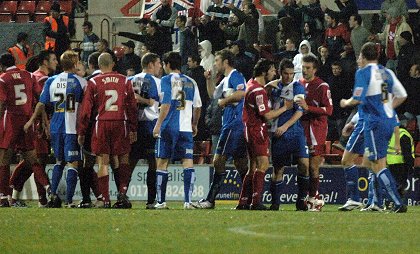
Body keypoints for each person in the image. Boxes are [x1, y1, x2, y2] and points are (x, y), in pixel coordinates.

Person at [340, 42, 408, 213]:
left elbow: (357, 98)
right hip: (389, 121)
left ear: (363, 56)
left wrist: (345, 102)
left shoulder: (363, 72)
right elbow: (402, 95)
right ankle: (376, 201)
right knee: (372, 162)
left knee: (377, 164)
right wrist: (388, 109)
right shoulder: (386, 72)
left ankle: (398, 202)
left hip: (374, 122)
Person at [24, 50, 86, 208]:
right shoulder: (81, 82)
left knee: (59, 161)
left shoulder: (51, 81)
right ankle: (70, 200)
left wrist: (31, 121)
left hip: (56, 127)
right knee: (73, 163)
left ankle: (53, 195)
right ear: (74, 64)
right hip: (72, 127)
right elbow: (86, 108)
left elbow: (41, 104)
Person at [78, 53, 138, 208]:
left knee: (102, 162)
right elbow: (132, 106)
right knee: (123, 158)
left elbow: (85, 110)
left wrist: (82, 131)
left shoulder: (93, 82)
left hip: (102, 123)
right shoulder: (125, 80)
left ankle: (105, 200)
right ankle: (122, 192)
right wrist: (133, 128)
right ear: (113, 64)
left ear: (99, 66)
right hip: (121, 122)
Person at [193, 49, 247, 209]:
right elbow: (213, 95)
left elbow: (243, 93)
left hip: (233, 124)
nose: (215, 64)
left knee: (218, 161)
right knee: (241, 164)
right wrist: (209, 80)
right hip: (232, 124)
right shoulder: (226, 79)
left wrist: (225, 101)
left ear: (225, 62)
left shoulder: (236, 75)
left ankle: (210, 200)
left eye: (217, 60)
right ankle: (248, 199)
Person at [239, 59, 292, 210]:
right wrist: (285, 108)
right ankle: (255, 202)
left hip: (249, 129)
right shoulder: (258, 92)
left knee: (253, 166)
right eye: (272, 70)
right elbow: (267, 116)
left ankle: (243, 201)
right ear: (264, 72)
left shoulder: (251, 84)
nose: (274, 72)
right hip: (257, 130)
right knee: (263, 165)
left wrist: (267, 86)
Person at [0, 53, 51, 207]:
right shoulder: (29, 75)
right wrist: (42, 120)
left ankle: (4, 197)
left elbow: (1, 103)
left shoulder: (3, 78)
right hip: (27, 120)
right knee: (32, 158)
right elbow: (40, 99)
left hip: (10, 120)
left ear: (2, 66)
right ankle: (48, 188)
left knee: (4, 159)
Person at [153, 52, 202, 209]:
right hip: (185, 128)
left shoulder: (166, 80)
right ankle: (187, 202)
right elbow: (198, 106)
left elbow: (166, 103)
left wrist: (158, 124)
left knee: (162, 162)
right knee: (187, 162)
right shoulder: (191, 82)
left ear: (167, 65)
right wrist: (194, 124)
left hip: (169, 127)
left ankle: (161, 202)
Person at [268, 59, 309, 211]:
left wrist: (285, 126)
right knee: (278, 169)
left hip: (295, 132)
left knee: (304, 165)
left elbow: (299, 111)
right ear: (280, 73)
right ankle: (275, 203)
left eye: (291, 74)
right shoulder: (273, 87)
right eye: (286, 74)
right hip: (278, 134)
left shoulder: (297, 87)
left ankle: (300, 201)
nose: (289, 77)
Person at [295, 55, 333, 211]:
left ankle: (313, 198)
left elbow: (329, 110)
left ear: (315, 69)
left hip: (315, 131)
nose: (304, 70)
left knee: (313, 167)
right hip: (300, 130)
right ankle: (304, 198)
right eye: (303, 67)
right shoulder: (298, 84)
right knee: (302, 166)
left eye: (308, 67)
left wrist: (307, 108)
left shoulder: (322, 86)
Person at [129, 53, 162, 209]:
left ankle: (122, 194)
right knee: (153, 164)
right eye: (158, 63)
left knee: (130, 163)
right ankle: (151, 201)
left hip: (133, 126)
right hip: (150, 127)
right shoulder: (157, 82)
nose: (160, 66)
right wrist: (148, 101)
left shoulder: (130, 80)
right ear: (150, 65)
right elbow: (159, 104)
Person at [77, 52, 103, 208]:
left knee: (87, 163)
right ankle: (111, 197)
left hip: (93, 127)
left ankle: (87, 198)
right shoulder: (120, 79)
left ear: (91, 65)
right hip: (116, 125)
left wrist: (81, 130)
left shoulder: (88, 83)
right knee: (111, 162)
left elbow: (85, 111)